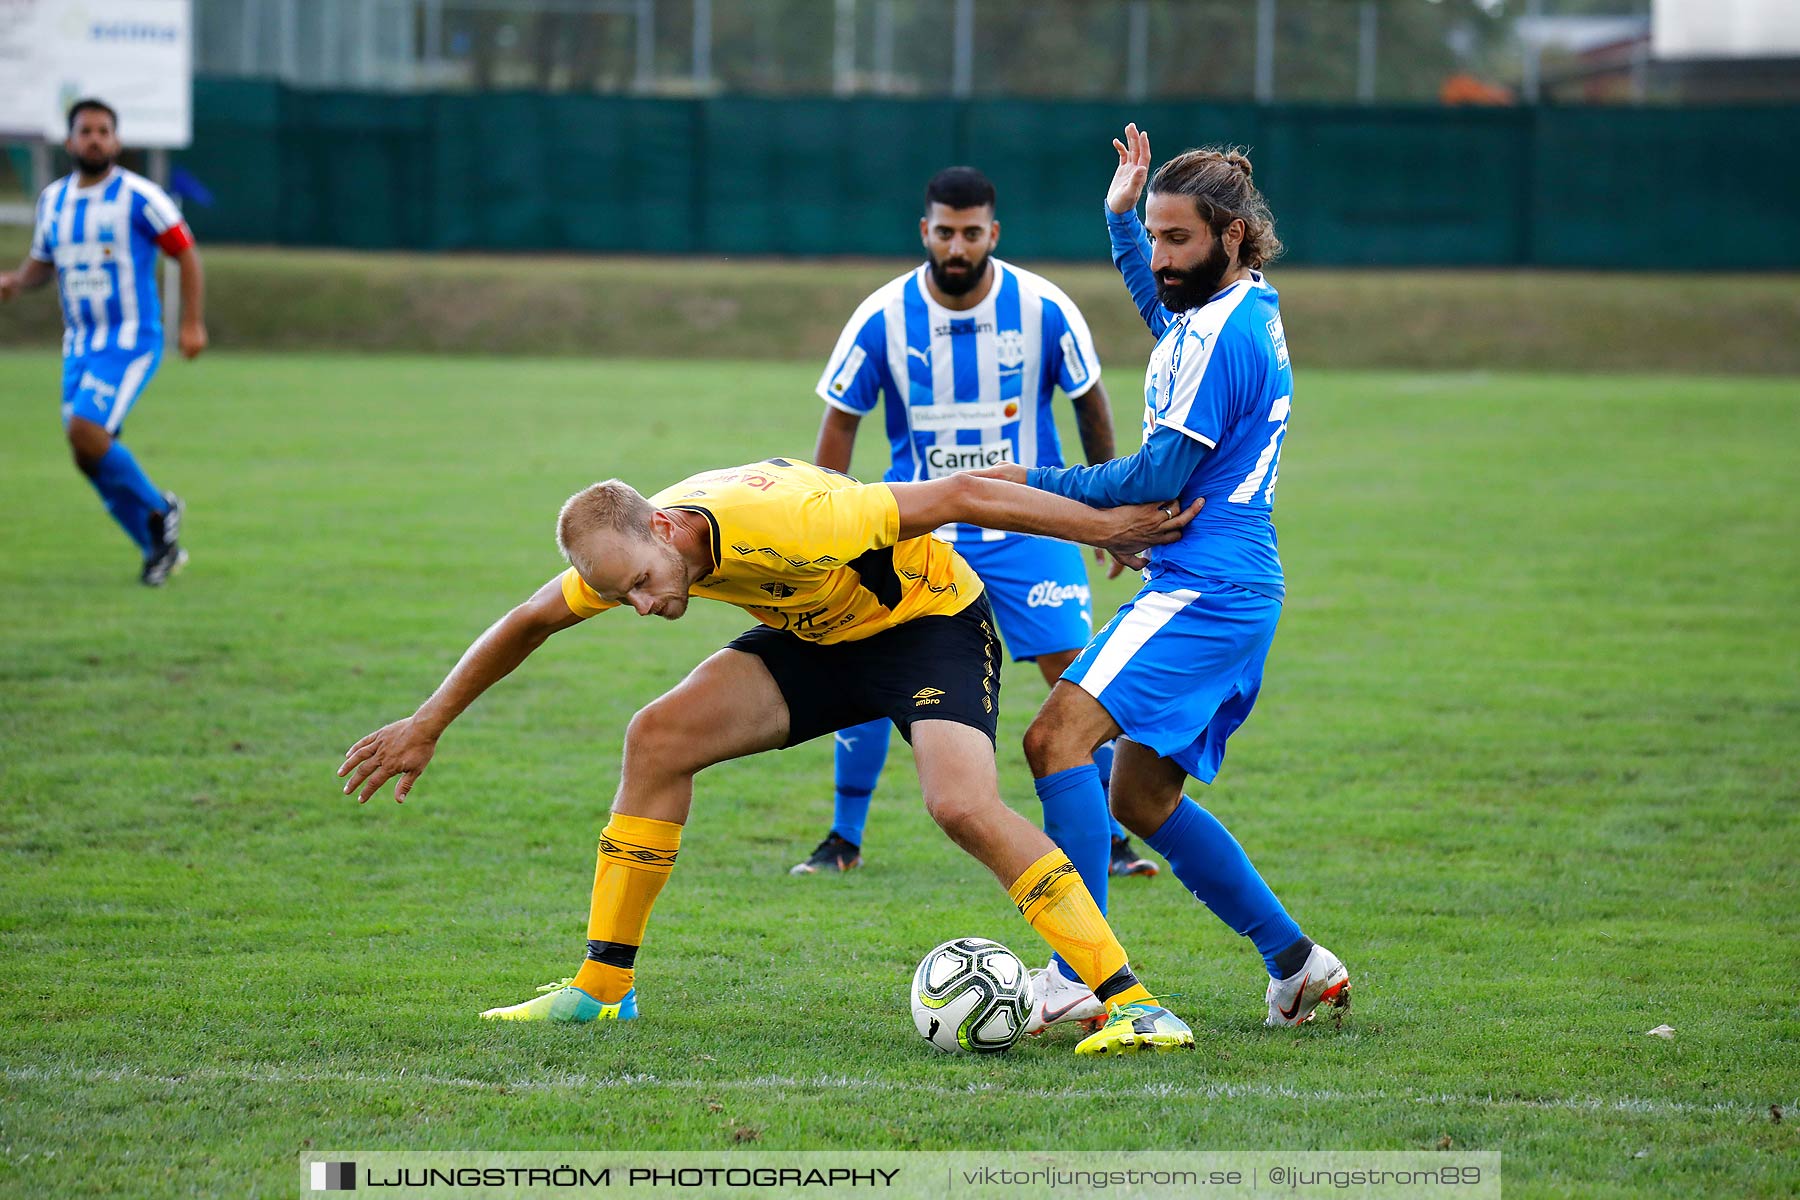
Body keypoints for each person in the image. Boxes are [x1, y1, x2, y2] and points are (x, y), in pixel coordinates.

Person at [339, 457, 1203, 1055]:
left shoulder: (796, 524)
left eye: (641, 583)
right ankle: (601, 990)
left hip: (927, 626)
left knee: (961, 805)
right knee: (658, 737)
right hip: (819, 638)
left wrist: (1107, 524)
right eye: (619, 594)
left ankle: (1133, 1003)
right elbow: (528, 620)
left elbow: (964, 493)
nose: (638, 606)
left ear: (667, 528)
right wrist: (427, 724)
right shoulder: (633, 546)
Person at [975, 125, 1351, 1028]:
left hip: (1205, 589)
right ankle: (1297, 964)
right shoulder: (1231, 309)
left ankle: (1079, 976)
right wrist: (1118, 222)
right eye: (1152, 235)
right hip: (1224, 583)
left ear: (1230, 234)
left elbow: (1154, 481)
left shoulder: (1226, 340)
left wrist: (1037, 484)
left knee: (1053, 741)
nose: (1159, 255)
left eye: (1174, 238)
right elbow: (1167, 315)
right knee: (1138, 795)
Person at [0, 99, 206, 586]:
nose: (95, 139)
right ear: (70, 141)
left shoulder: (140, 196)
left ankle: (160, 508)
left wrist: (192, 324)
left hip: (130, 339)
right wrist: (13, 282)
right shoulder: (53, 200)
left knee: (85, 430)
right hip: (79, 344)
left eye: (104, 131)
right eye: (86, 131)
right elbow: (43, 262)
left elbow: (187, 253)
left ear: (116, 141)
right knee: (86, 454)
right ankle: (157, 548)